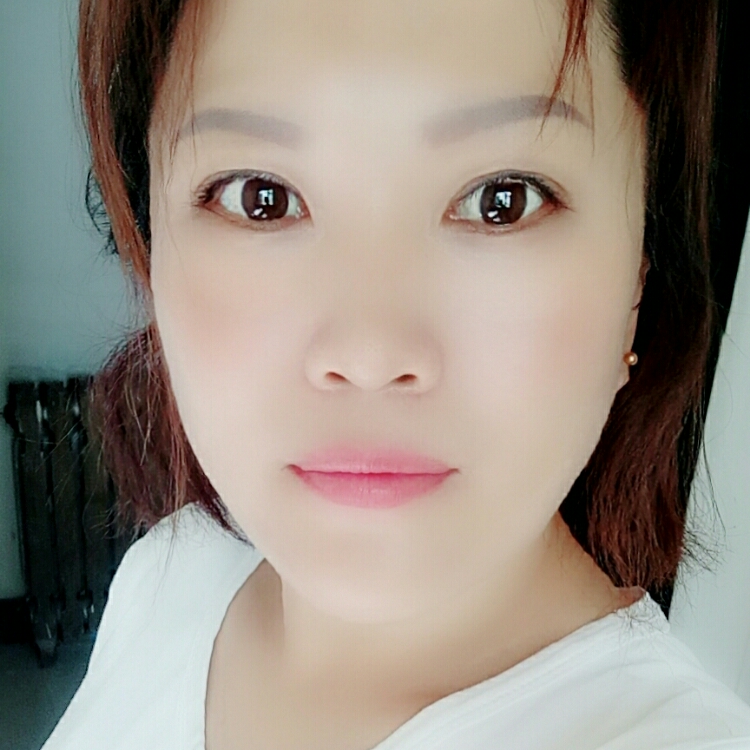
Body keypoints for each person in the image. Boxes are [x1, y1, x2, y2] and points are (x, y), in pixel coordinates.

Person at [41, 0, 750, 748]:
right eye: (261, 198)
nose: (370, 356)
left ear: (639, 270)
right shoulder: (170, 577)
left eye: (502, 202)